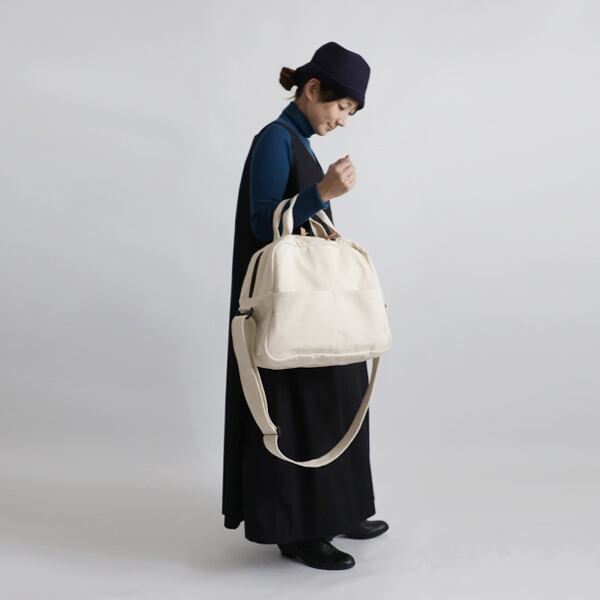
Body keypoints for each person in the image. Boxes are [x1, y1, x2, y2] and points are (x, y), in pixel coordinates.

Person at [222, 41, 388, 570]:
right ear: (312, 89)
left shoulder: (299, 141)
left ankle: (340, 509)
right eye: (341, 106)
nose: (342, 120)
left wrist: (320, 192)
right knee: (299, 405)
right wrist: (323, 192)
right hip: (288, 304)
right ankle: (298, 530)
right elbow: (262, 223)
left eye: (351, 112)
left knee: (340, 390)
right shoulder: (274, 139)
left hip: (313, 298)